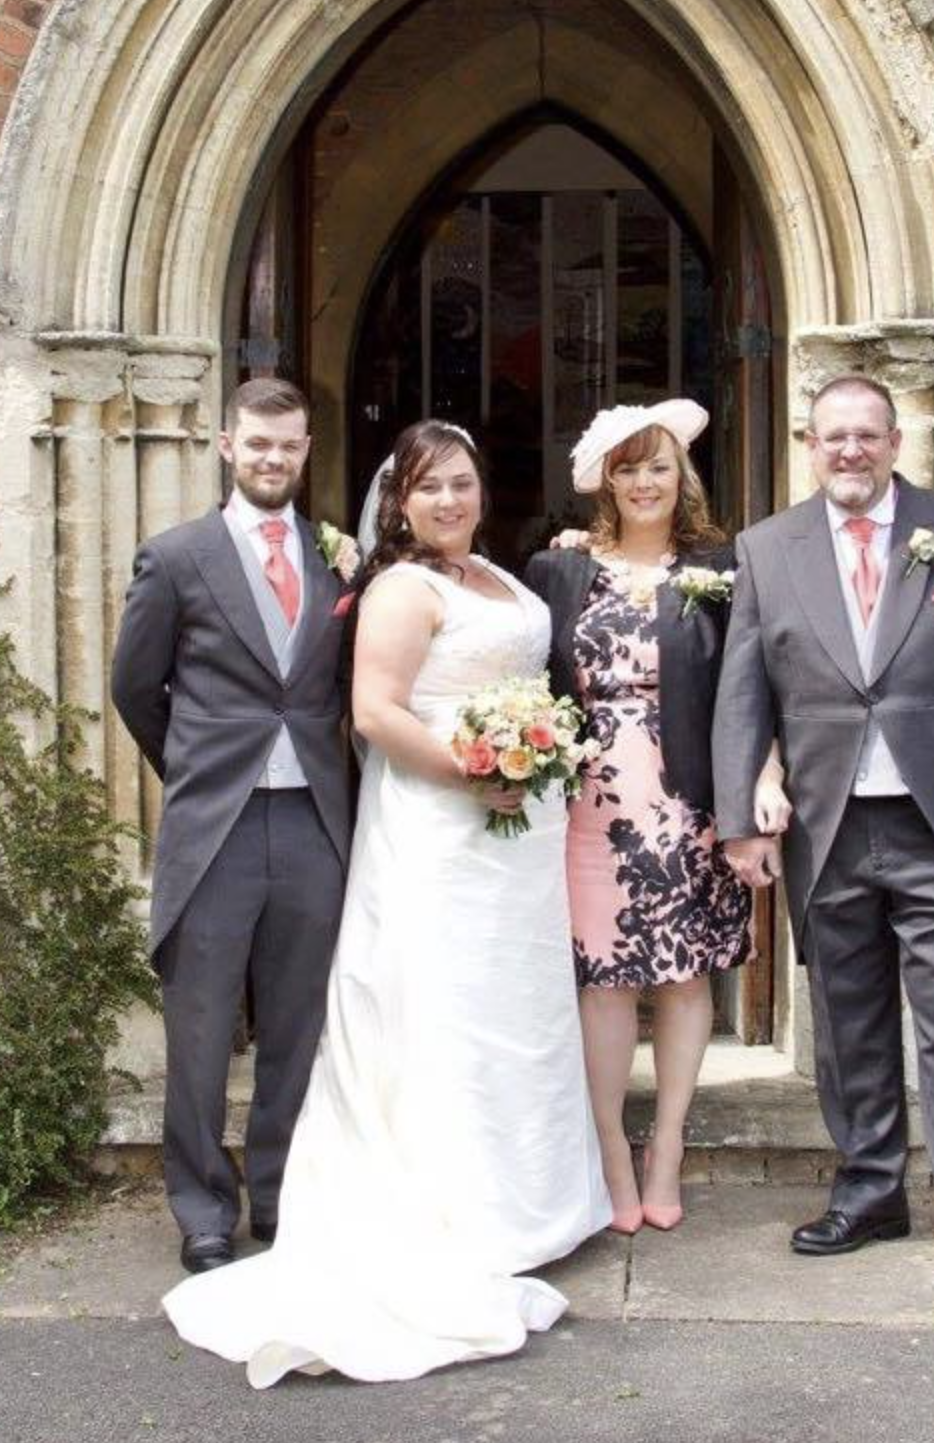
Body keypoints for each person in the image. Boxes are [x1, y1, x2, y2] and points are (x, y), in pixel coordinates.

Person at [162, 419, 611, 1385]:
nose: (449, 501)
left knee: (511, 1010)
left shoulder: (498, 577)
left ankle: (531, 1204)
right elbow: (374, 712)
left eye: (462, 482)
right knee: (441, 1010)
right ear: (398, 504)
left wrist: (527, 760)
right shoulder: (404, 588)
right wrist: (475, 768)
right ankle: (459, 1211)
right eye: (428, 488)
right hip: (442, 828)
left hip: (514, 840)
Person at [713, 374, 934, 1290]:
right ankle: (868, 1191)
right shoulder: (767, 548)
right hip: (829, 826)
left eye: (866, 435)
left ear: (896, 441)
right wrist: (741, 816)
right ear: (809, 447)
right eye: (832, 438)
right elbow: (744, 692)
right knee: (847, 1022)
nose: (849, 452)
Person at [526, 401, 790, 1234]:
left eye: (660, 467)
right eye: (629, 467)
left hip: (688, 803)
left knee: (684, 976)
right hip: (589, 805)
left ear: (684, 478)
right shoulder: (558, 570)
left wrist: (762, 781)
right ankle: (608, 1147)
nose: (645, 482)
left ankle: (666, 1145)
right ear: (607, 479)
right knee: (605, 981)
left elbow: (757, 686)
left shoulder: (722, 567)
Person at [110, 378, 355, 1276]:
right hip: (214, 828)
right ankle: (202, 1209)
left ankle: (280, 1193)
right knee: (203, 1031)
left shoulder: (338, 559)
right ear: (224, 444)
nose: (272, 459)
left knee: (297, 1024)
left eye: (287, 445)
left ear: (305, 449)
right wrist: (199, 772)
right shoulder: (175, 558)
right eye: (257, 443)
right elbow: (137, 689)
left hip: (312, 827)